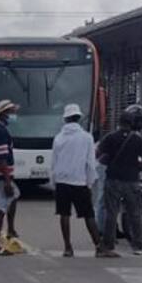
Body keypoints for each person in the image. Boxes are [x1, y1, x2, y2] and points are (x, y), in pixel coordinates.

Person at [97, 104, 142, 258]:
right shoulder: (138, 140)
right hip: (132, 180)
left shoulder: (110, 137)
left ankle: (109, 245)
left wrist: (109, 161)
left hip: (113, 180)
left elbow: (98, 155)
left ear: (119, 122)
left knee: (111, 214)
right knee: (135, 214)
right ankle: (138, 246)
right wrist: (137, 167)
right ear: (132, 123)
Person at [50, 103, 100, 257]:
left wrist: (54, 182)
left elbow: (53, 163)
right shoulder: (86, 137)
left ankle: (67, 247)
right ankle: (99, 246)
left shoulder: (58, 138)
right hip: (80, 181)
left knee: (64, 214)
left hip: (62, 181)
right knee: (88, 215)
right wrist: (90, 183)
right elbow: (91, 163)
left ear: (65, 119)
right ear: (78, 118)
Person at [0, 99, 21, 256]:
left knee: (14, 195)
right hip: (0, 175)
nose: (14, 115)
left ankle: (10, 230)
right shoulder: (0, 131)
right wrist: (7, 180)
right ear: (4, 114)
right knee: (0, 208)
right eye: (12, 112)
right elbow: (2, 158)